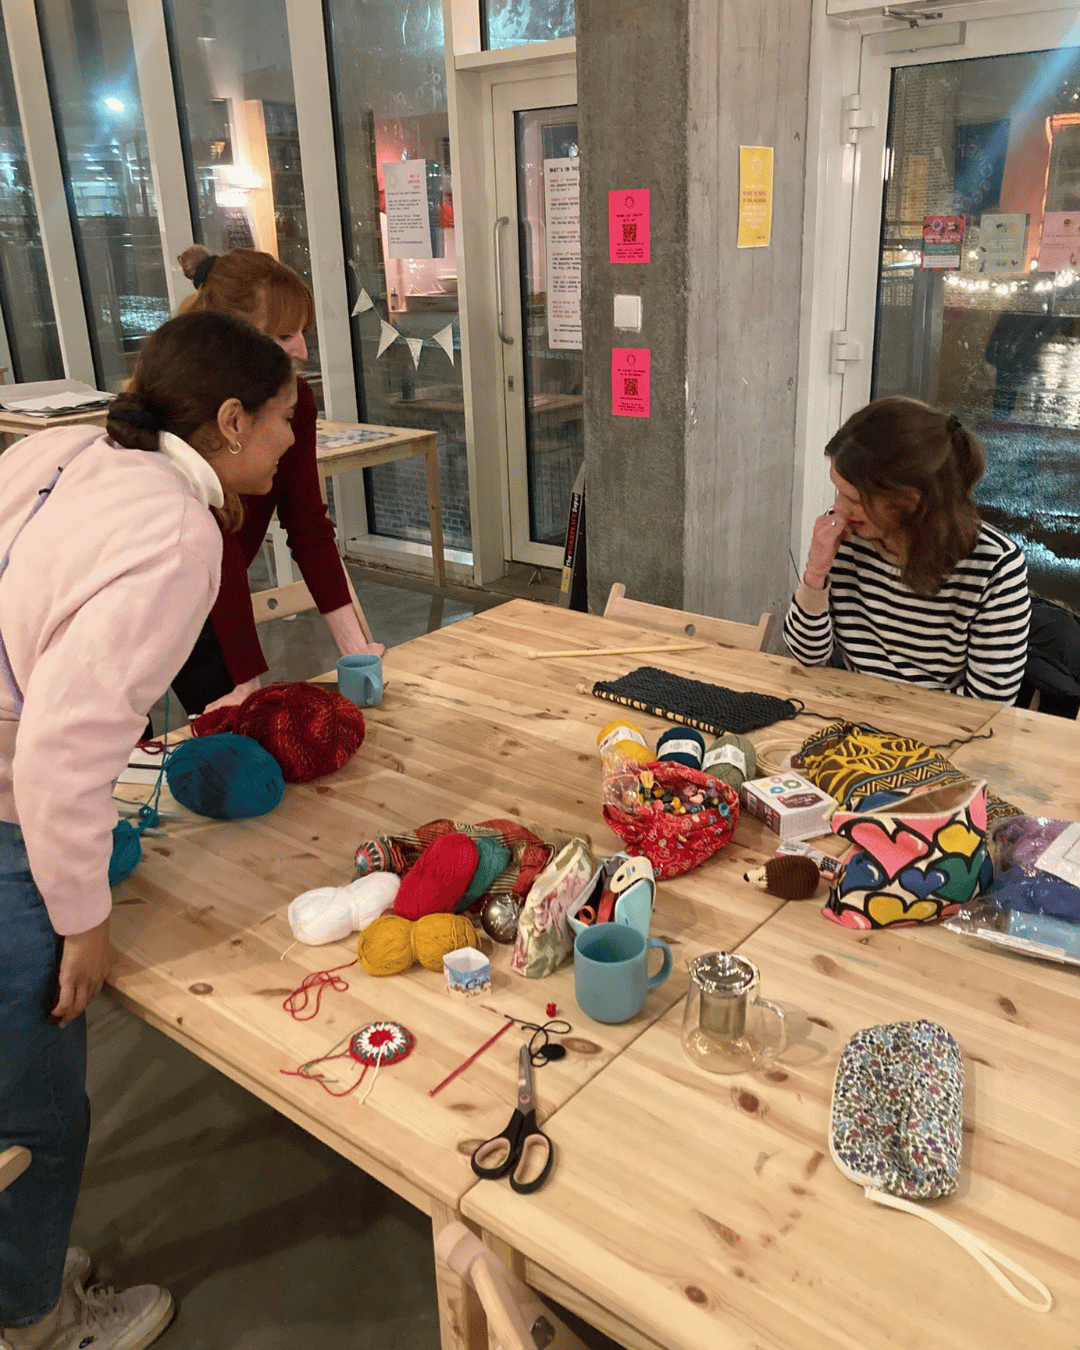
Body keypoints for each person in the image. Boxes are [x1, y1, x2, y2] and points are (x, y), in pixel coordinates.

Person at [0, 312, 294, 1350]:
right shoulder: (174, 533)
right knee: (36, 1103)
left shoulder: (61, 445)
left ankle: (17, 1274)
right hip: (5, 815)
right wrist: (81, 921)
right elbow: (57, 757)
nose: (292, 442)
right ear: (228, 419)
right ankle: (35, 1317)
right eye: (282, 419)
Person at [171, 245, 383, 718]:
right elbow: (214, 545)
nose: (303, 351)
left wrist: (357, 650)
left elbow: (308, 523)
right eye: (286, 334)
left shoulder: (294, 398)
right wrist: (247, 680)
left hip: (214, 597)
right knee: (117, 758)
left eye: (304, 331)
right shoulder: (188, 412)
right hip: (153, 603)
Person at [784, 397, 1031, 704]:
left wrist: (888, 720)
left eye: (856, 499)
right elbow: (807, 656)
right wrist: (815, 574)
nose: (838, 509)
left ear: (910, 502)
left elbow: (990, 704)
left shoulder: (995, 566)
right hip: (848, 719)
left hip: (940, 737)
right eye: (838, 491)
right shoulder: (848, 541)